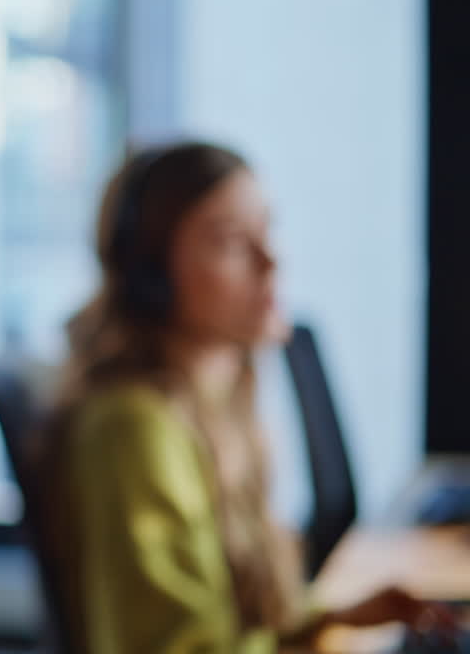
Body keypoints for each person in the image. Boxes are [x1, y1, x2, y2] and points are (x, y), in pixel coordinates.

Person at [38, 142, 454, 653]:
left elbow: (226, 630)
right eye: (233, 240)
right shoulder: (135, 428)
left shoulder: (216, 401)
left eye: (269, 229)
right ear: (151, 276)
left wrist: (326, 620)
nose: (272, 258)